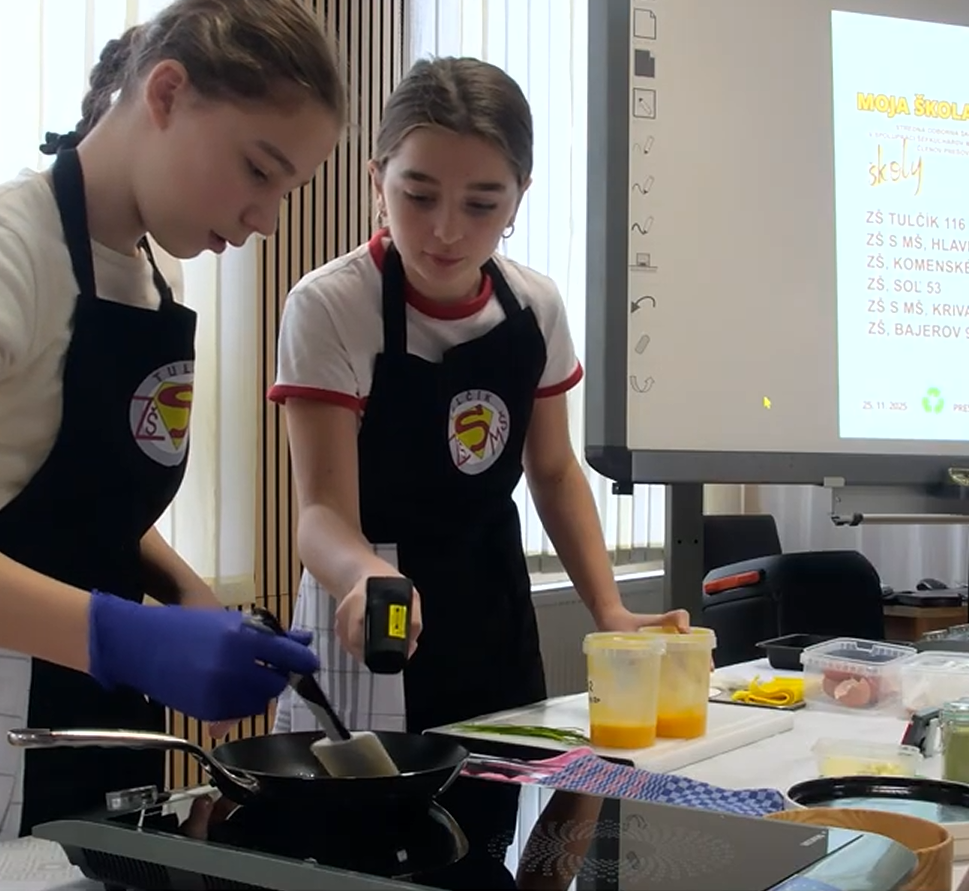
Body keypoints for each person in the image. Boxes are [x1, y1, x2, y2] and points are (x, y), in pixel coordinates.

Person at [0, 0, 346, 890]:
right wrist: (122, 636)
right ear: (166, 93)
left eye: (285, 191)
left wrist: (183, 597)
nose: (263, 221)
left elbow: (63, 494)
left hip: (98, 714)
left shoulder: (147, 273)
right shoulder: (1, 244)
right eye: (258, 172)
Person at [267, 56, 690, 741]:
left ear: (519, 196)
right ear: (377, 182)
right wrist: (364, 575)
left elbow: (553, 471)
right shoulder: (330, 305)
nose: (446, 230)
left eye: (481, 204)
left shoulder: (534, 305)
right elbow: (321, 513)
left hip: (492, 612)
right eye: (419, 196)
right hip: (374, 615)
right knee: (366, 798)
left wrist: (609, 610)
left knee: (504, 793)